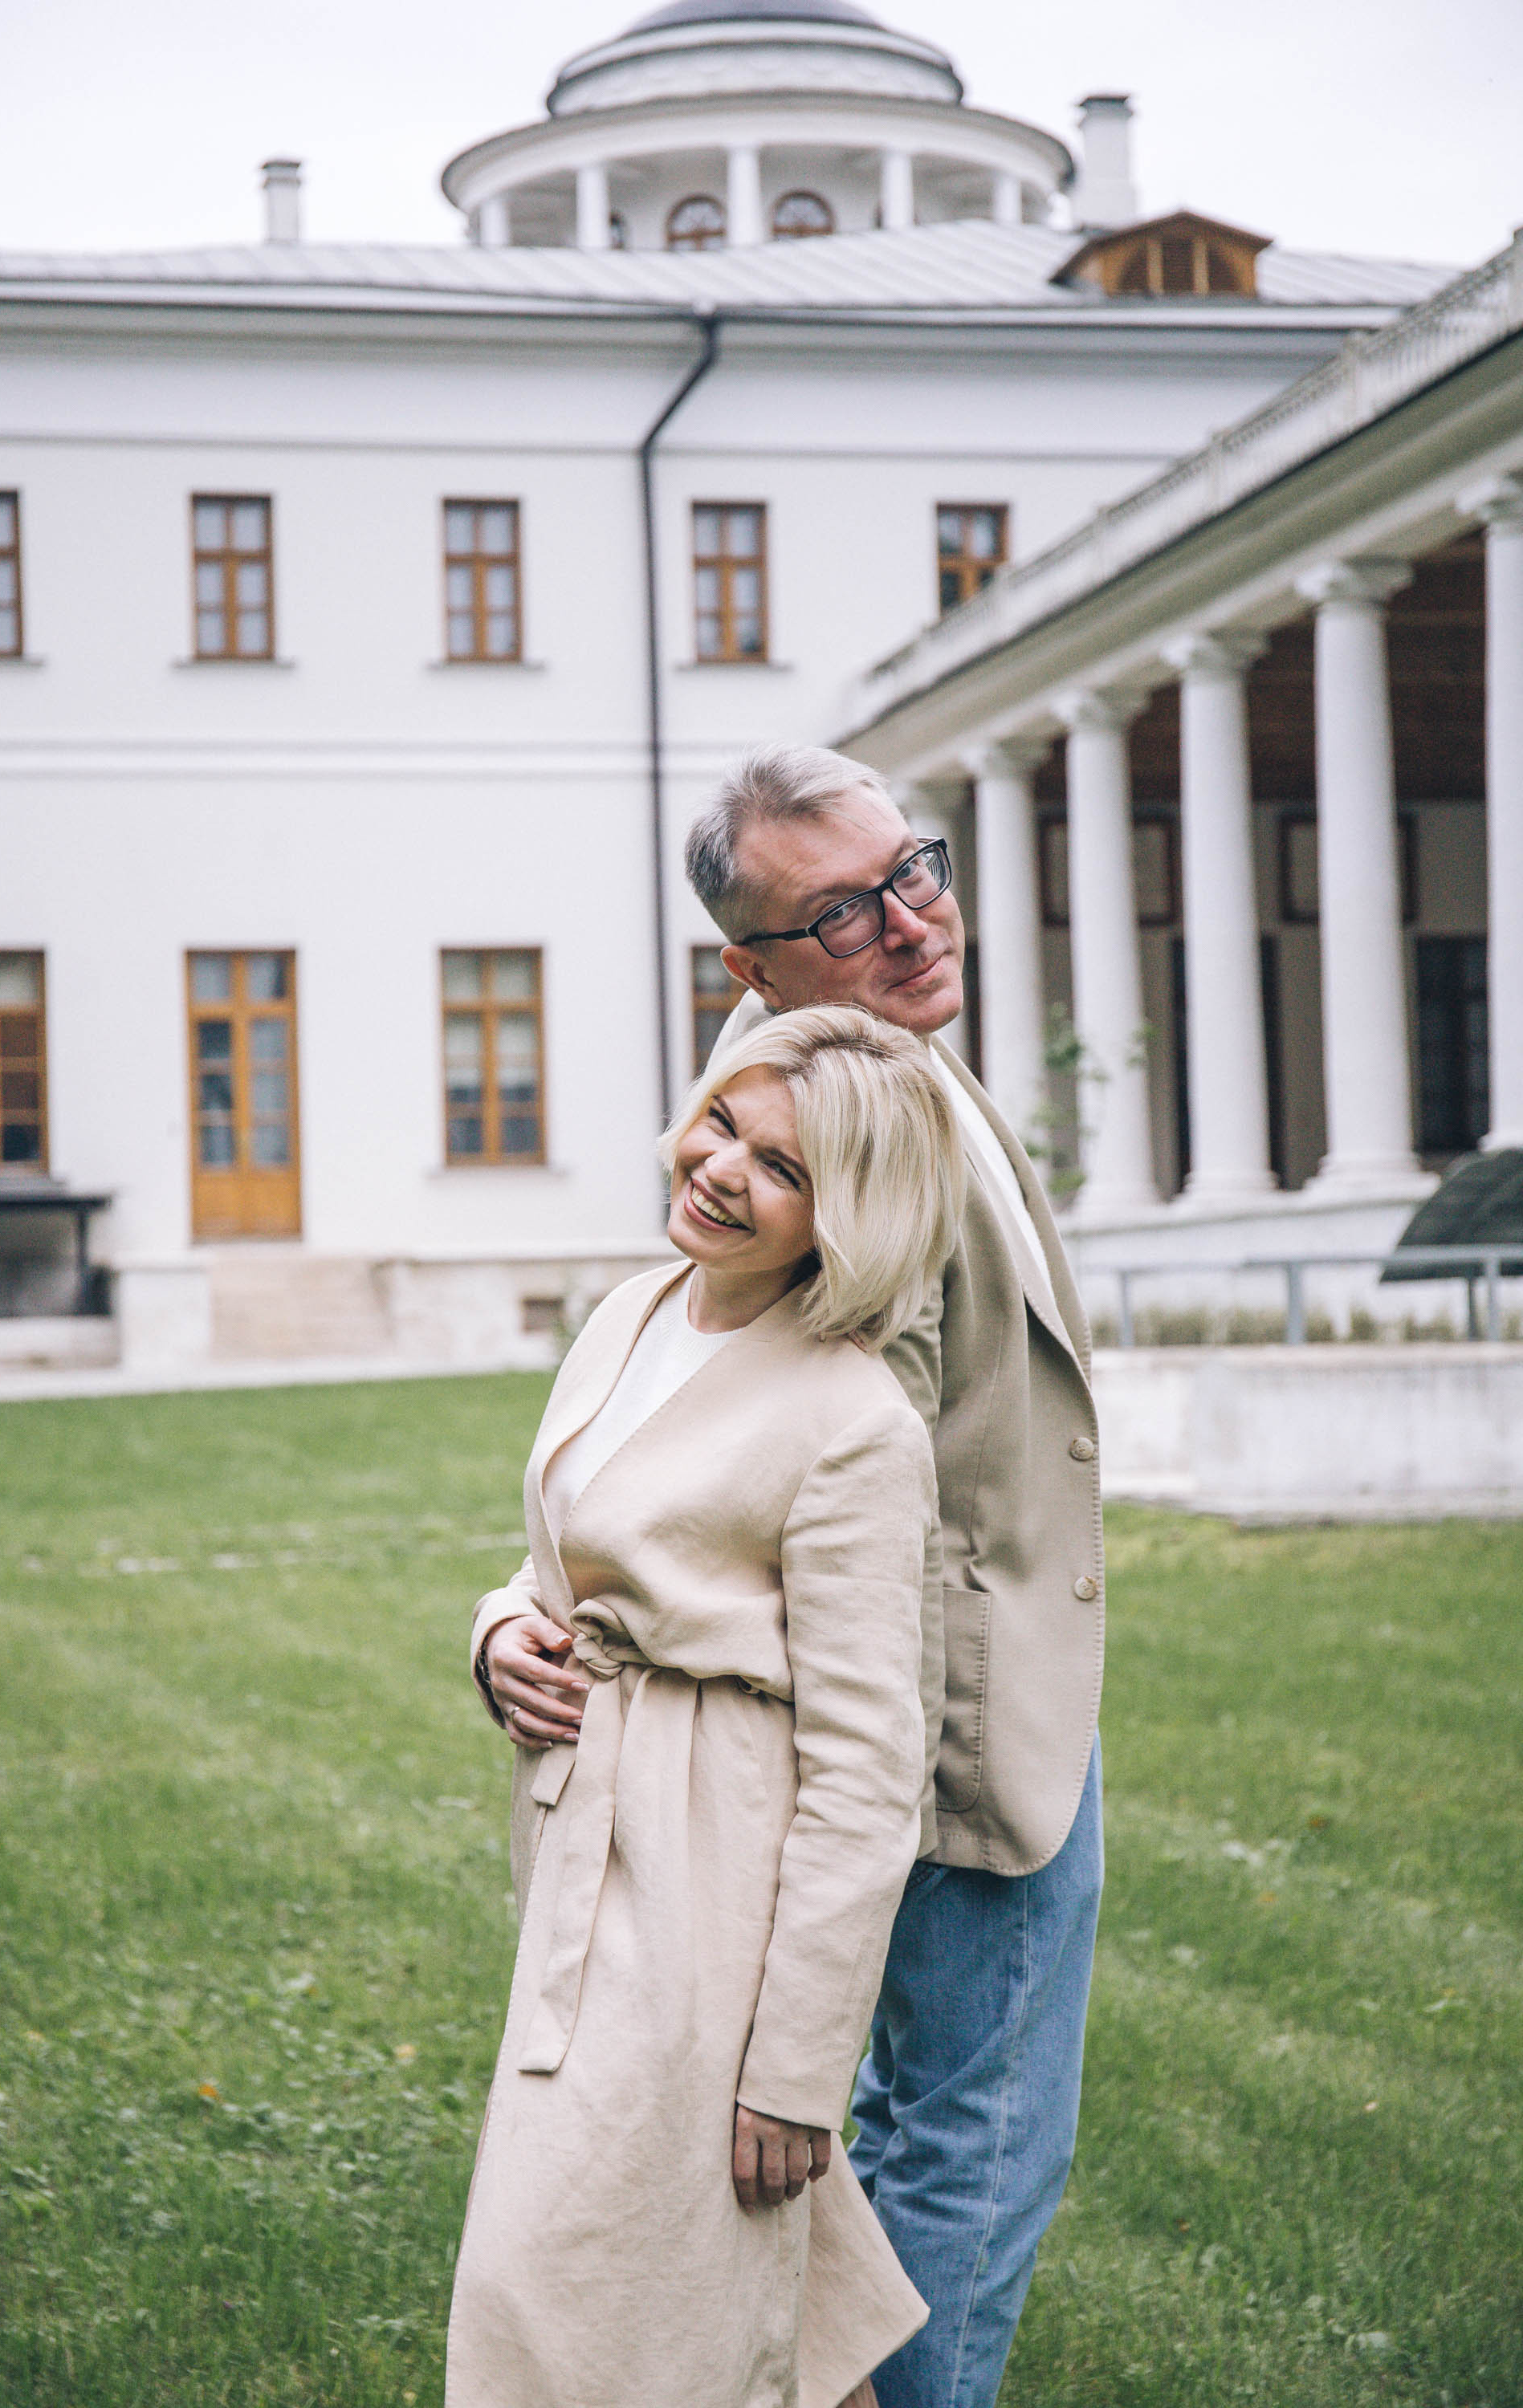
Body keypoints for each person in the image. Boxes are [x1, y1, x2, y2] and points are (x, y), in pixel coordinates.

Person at [670, 745, 1108, 2408]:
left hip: (990, 1687)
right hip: (944, 1724)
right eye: (844, 913)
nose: (912, 922)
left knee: (919, 2135)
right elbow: (779, 1456)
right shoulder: (804, 1135)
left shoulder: (872, 1054)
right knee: (970, 2150)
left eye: (910, 869)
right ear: (753, 966)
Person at [447, 1005, 965, 2408]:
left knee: (549, 2271)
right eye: (724, 1123)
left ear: (844, 1217)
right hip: (580, 1835)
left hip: (709, 1873)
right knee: (748, 2283)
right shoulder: (630, 1314)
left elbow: (870, 1771)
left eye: (783, 1168)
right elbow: (565, 1561)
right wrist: (499, 1632)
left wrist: (796, 2067)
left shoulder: (857, 1422)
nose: (724, 1168)